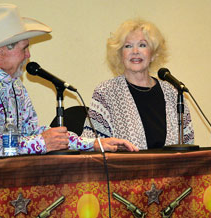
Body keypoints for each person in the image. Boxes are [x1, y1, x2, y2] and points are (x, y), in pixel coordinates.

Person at [0, 4, 138, 157]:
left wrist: (93, 143)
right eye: (24, 48)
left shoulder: (15, 85)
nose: (28, 55)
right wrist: (40, 143)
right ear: (1, 51)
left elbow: (33, 134)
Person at [81, 18, 195, 150]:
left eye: (142, 45)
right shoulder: (106, 92)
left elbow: (188, 142)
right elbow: (91, 141)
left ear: (153, 54)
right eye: (128, 46)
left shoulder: (173, 93)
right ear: (120, 55)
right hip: (124, 169)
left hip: (170, 169)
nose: (135, 51)